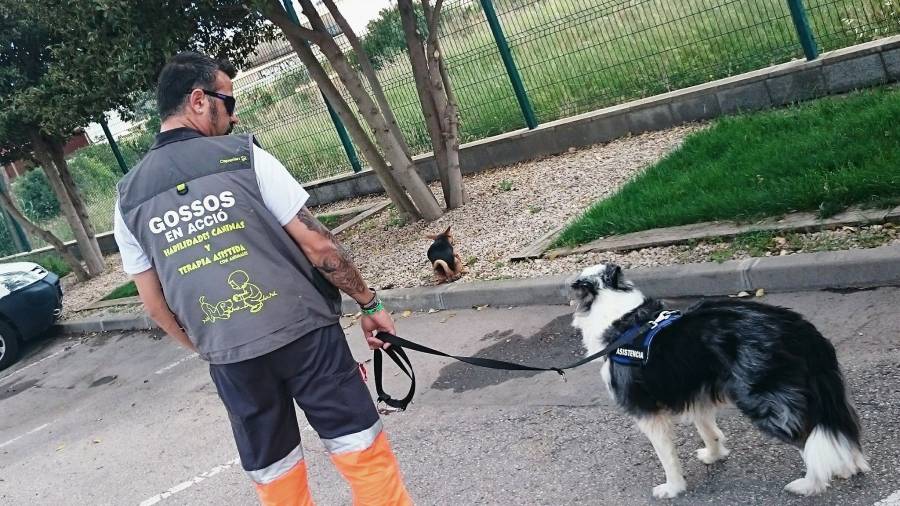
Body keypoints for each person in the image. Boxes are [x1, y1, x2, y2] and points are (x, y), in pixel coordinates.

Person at [113, 51, 412, 506]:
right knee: (360, 449)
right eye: (228, 103)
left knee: (276, 474)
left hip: (231, 357)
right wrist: (369, 305)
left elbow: (155, 306)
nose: (233, 117)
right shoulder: (243, 157)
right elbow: (321, 248)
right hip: (307, 336)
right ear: (198, 100)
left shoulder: (127, 199)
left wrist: (213, 347)